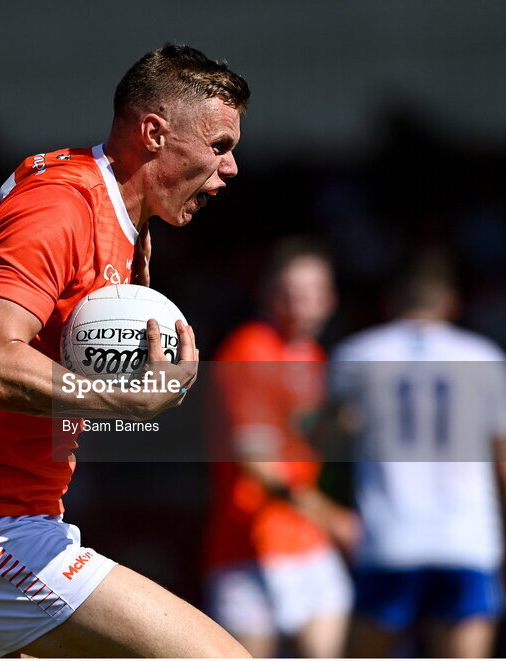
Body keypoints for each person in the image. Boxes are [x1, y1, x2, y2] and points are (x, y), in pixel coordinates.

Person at [0, 44, 251, 658]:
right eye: (219, 146)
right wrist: (121, 397)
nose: (231, 167)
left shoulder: (120, 222)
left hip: (11, 510)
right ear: (154, 133)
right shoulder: (61, 205)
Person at [330, 266, 506, 658]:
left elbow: (323, 442)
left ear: (390, 303)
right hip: (466, 539)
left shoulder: (357, 354)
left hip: (390, 537)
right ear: (451, 306)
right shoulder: (484, 356)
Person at [204, 239, 356, 658]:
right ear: (269, 295)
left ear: (330, 300)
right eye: (290, 292)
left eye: (311, 292)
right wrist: (334, 518)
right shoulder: (250, 350)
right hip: (248, 543)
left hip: (303, 541)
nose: (300, 304)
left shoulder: (312, 357)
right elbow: (257, 463)